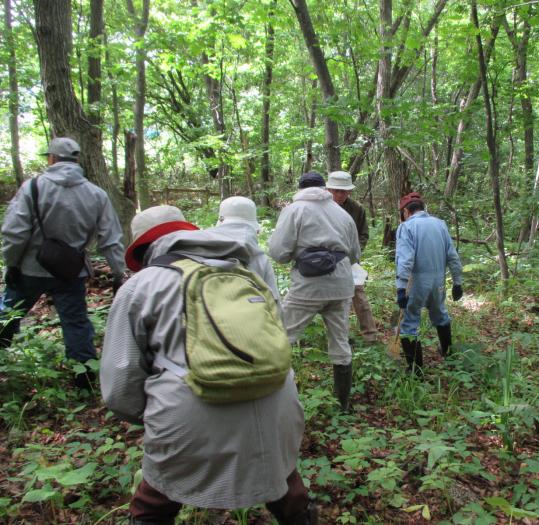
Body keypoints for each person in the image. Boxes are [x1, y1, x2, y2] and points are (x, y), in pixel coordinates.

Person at [100, 205, 315, 525]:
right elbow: (279, 340)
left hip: (189, 415)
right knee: (284, 483)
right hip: (279, 405)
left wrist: (149, 417)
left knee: (155, 501)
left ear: (145, 249)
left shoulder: (140, 285)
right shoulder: (246, 274)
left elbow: (120, 380)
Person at [0, 137, 126, 389]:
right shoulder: (96, 194)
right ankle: (85, 381)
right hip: (71, 272)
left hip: (29, 269)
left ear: (52, 159)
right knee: (76, 323)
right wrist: (118, 273)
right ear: (77, 160)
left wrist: (11, 264)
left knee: (7, 316)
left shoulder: (33, 188)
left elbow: (14, 233)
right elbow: (111, 238)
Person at [268, 172, 361, 412]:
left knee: (283, 336)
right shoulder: (342, 213)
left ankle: (273, 397)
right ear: (325, 189)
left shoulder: (294, 210)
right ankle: (343, 405)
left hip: (308, 287)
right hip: (341, 285)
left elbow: (279, 252)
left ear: (300, 188)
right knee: (340, 341)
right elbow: (355, 254)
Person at [395, 192, 463, 375]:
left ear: (406, 211)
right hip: (438, 282)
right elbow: (452, 255)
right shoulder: (440, 224)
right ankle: (449, 355)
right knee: (440, 314)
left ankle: (415, 370)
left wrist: (401, 288)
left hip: (416, 282)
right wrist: (457, 281)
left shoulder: (406, 227)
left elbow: (405, 259)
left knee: (409, 322)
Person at [326, 171, 379, 343]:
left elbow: (363, 234)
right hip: (325, 261)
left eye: (344, 191)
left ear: (349, 191)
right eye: (336, 191)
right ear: (329, 189)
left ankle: (370, 335)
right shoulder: (321, 207)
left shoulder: (356, 209)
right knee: (331, 298)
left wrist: (355, 252)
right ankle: (338, 335)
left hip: (350, 261)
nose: (340, 195)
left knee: (358, 295)